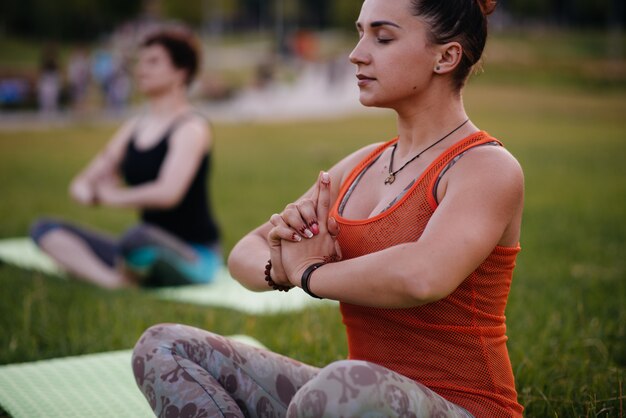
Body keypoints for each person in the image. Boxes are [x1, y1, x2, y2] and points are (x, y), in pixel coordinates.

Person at [131, 0, 524, 416]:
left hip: (460, 407)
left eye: (383, 37)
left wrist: (309, 273)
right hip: (346, 399)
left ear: (446, 57)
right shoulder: (360, 166)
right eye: (360, 33)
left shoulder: (486, 168)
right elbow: (246, 251)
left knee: (343, 384)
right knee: (164, 345)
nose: (357, 53)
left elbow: (422, 276)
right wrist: (280, 264)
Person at [30, 28, 222, 289]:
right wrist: (89, 191)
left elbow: (168, 193)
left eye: (153, 61)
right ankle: (113, 281)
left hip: (195, 256)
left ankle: (127, 272)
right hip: (143, 249)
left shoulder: (191, 127)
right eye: (140, 62)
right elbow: (82, 182)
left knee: (136, 239)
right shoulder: (133, 128)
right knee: (45, 229)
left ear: (181, 72)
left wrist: (109, 195)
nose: (141, 69)